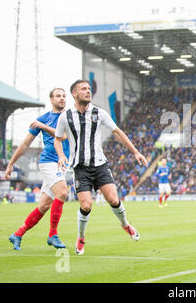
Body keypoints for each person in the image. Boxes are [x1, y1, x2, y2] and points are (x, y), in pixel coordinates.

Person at [54, 79, 148, 255]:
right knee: (87, 205)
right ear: (74, 94)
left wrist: (135, 151)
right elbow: (57, 139)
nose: (88, 91)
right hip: (80, 168)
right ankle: (81, 237)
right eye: (84, 89)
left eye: (89, 89)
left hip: (100, 165)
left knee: (113, 199)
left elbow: (117, 132)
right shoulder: (65, 117)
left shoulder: (99, 113)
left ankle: (125, 224)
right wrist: (61, 155)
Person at [5, 88, 70, 250]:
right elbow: (25, 144)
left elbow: (63, 136)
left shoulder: (69, 117)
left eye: (64, 96)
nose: (62, 99)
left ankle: (17, 234)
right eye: (58, 96)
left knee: (44, 205)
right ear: (51, 99)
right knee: (62, 192)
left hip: (62, 164)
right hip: (48, 162)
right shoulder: (44, 118)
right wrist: (11, 163)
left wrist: (43, 126)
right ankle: (52, 235)